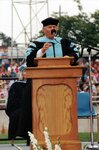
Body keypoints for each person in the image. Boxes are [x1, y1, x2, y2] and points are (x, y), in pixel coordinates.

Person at [18, 17, 79, 141]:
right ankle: (36, 137)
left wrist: (69, 56)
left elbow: (76, 53)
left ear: (57, 28)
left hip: (63, 81)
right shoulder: (37, 43)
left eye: (54, 27)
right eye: (50, 27)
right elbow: (29, 60)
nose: (52, 29)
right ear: (44, 29)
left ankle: (65, 137)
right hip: (39, 82)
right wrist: (42, 51)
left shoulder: (64, 42)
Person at [5, 64, 27, 146]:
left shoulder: (33, 83)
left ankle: (30, 139)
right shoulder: (16, 84)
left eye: (28, 71)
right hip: (17, 108)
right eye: (25, 71)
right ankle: (12, 139)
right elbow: (12, 99)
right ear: (21, 73)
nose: (26, 73)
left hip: (28, 108)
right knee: (15, 115)